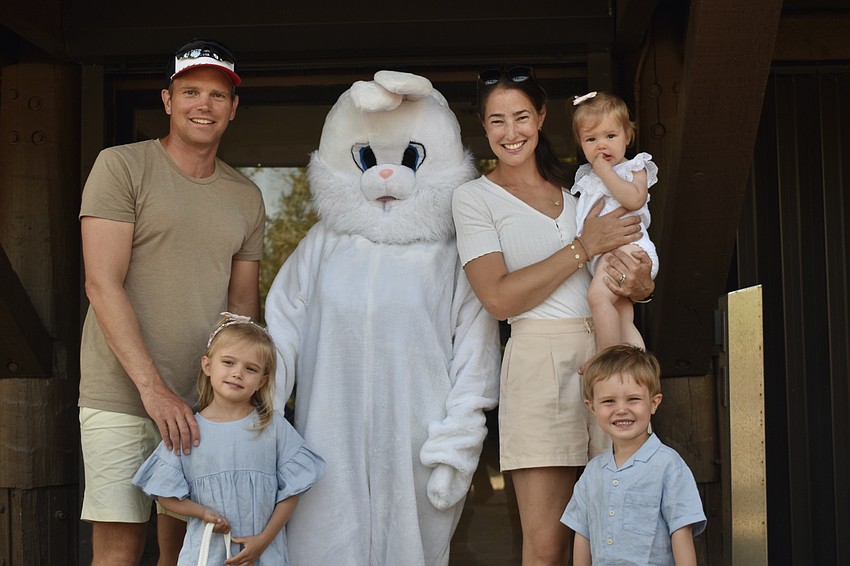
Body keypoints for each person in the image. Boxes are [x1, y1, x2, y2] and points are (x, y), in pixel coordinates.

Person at [451, 66, 655, 566]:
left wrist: (642, 282)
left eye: (521, 116)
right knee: (547, 545)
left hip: (608, 352)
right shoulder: (474, 198)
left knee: (616, 534)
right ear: (483, 126)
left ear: (541, 117)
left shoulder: (582, 184)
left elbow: (630, 267)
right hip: (538, 361)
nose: (511, 132)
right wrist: (584, 247)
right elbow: (497, 299)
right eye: (497, 121)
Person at [79, 38, 266, 566]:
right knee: (118, 551)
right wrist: (154, 390)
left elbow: (242, 311)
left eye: (216, 95)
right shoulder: (121, 167)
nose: (203, 105)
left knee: (190, 551)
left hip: (202, 405)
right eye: (190, 92)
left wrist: (232, 399)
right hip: (120, 393)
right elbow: (101, 283)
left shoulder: (245, 195)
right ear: (167, 100)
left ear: (233, 108)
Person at [132, 313, 325, 565]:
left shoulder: (272, 427)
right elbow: (165, 492)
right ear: (207, 366)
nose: (238, 373)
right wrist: (201, 512)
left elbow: (291, 492)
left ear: (262, 381)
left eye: (250, 368)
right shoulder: (189, 430)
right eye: (229, 362)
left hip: (263, 554)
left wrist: (264, 541)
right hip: (207, 555)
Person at [561, 345, 706, 566]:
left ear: (654, 403)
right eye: (609, 401)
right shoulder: (592, 472)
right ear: (592, 407)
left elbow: (681, 529)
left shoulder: (668, 465)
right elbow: (583, 532)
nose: (621, 409)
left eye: (633, 399)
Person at [570, 91, 659, 350]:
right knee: (622, 318)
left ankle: (607, 360)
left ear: (627, 137)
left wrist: (606, 173)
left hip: (630, 251)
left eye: (610, 136)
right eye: (591, 138)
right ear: (581, 143)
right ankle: (633, 365)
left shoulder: (634, 167)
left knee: (597, 298)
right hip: (609, 255)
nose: (602, 145)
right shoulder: (588, 178)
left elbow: (634, 200)